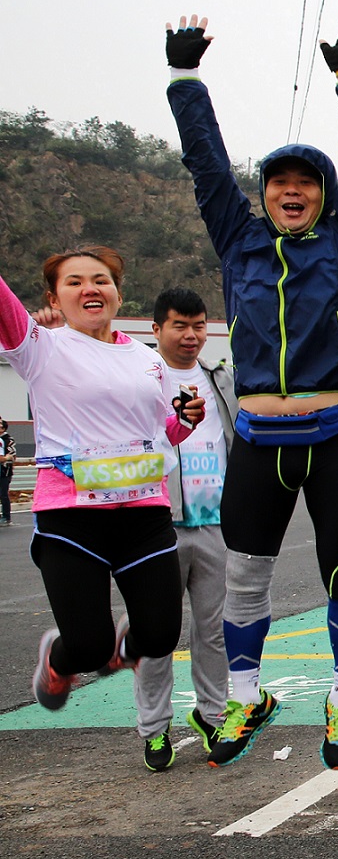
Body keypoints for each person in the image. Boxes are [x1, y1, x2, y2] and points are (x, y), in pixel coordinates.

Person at [166, 14, 338, 770]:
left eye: (305, 185)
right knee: (245, 577)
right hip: (257, 442)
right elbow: (206, 168)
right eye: (280, 184)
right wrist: (187, 81)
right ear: (266, 196)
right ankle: (247, 695)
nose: (292, 192)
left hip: (333, 438)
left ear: (322, 197)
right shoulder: (240, 240)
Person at [9, 249, 205, 730]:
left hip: (144, 514)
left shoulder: (147, 359)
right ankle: (58, 660)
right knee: (88, 648)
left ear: (118, 292)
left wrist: (182, 421)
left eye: (101, 280)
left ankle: (124, 647)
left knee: (159, 637)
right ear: (55, 298)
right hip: (72, 518)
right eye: (74, 282)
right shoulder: (40, 347)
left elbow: (158, 431)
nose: (90, 289)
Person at [130, 287, 238, 769]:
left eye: (198, 325)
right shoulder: (137, 378)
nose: (191, 335)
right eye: (179, 325)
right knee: (156, 632)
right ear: (156, 329)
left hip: (216, 523)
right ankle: (154, 729)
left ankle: (213, 715)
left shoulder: (222, 381)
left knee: (214, 629)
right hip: (156, 525)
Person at [0, 418, 16, 525]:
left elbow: (13, 456)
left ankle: (6, 516)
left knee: (3, 493)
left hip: (5, 470)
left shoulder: (8, 440)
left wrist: (6, 458)